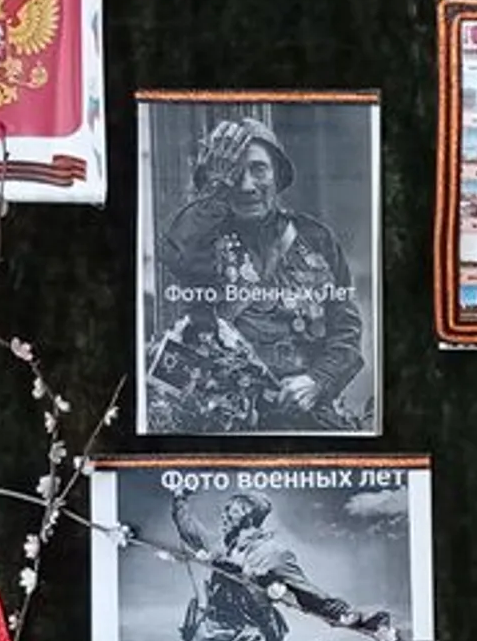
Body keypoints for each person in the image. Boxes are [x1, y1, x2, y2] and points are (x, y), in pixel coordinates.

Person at [157, 115, 366, 428]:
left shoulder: (316, 238)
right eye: (234, 173)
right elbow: (176, 254)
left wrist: (317, 381)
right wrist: (215, 188)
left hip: (307, 414)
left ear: (277, 175)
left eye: (258, 169)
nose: (246, 186)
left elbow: (346, 330)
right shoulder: (201, 239)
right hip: (222, 417)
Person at [134, 489, 391, 641]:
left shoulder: (274, 554)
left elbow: (311, 597)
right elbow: (189, 530)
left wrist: (355, 617)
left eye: (229, 510)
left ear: (247, 514)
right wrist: (180, 498)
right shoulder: (221, 547)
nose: (223, 516)